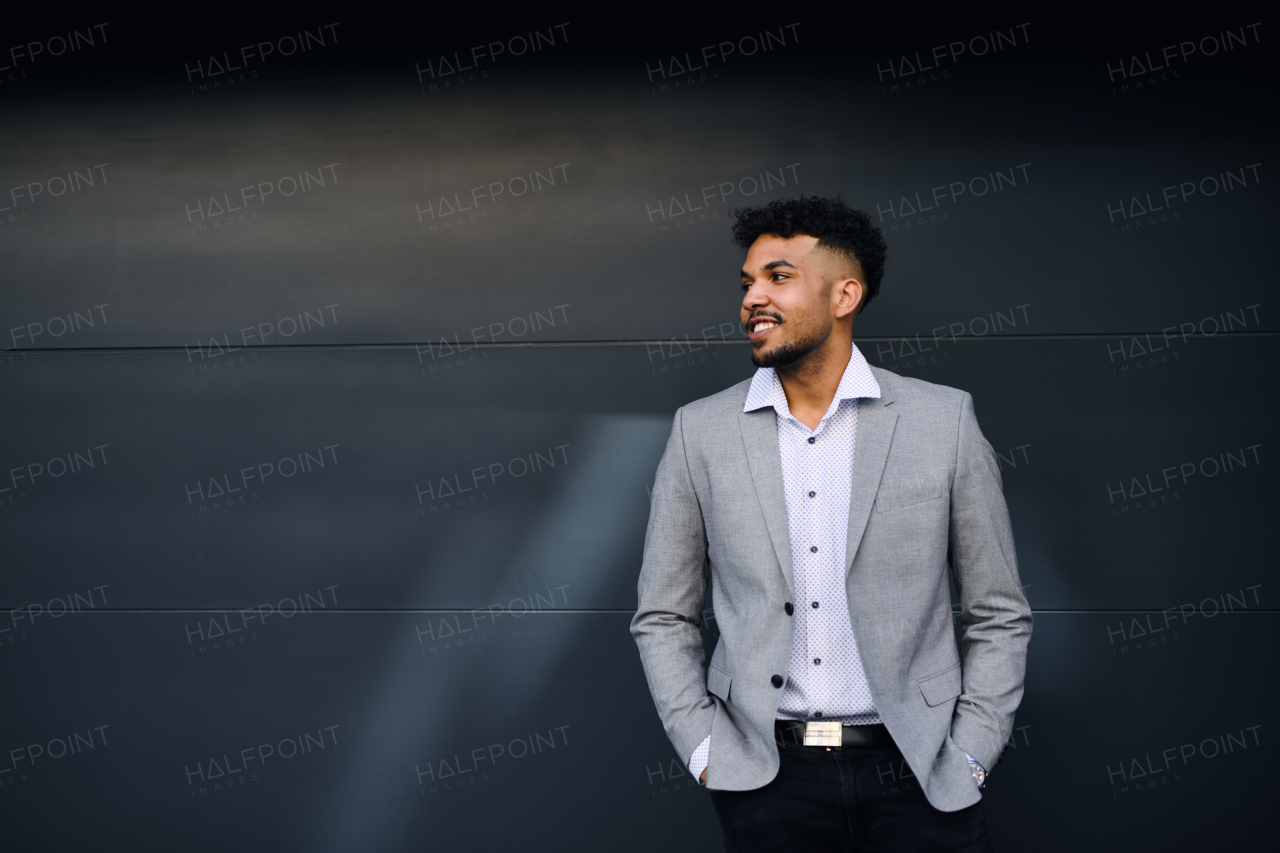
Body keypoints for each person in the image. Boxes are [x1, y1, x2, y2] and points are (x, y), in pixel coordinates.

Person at [631, 196, 1032, 851]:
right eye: (747, 282)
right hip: (767, 779)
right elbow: (662, 614)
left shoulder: (943, 421)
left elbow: (999, 610)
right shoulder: (699, 430)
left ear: (845, 294)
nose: (752, 297)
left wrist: (970, 753)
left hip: (923, 770)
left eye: (778, 277)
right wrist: (706, 749)